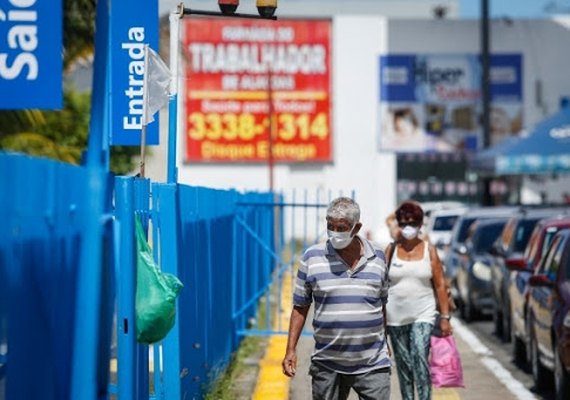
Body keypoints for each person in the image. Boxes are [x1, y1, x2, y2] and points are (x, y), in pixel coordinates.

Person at [281, 197, 391, 400]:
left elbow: (381, 303)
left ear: (356, 228)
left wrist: (386, 342)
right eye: (330, 226)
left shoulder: (377, 256)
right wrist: (290, 350)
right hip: (327, 362)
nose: (334, 233)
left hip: (372, 362)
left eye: (341, 228)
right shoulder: (311, 257)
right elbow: (300, 306)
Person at [385, 201, 453, 400]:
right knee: (404, 364)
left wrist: (445, 317)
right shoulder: (390, 250)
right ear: (398, 224)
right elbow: (380, 286)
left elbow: (440, 285)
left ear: (420, 225)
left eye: (413, 223)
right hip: (395, 317)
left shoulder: (428, 250)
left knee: (419, 356)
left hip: (423, 313)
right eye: (404, 223)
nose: (409, 227)